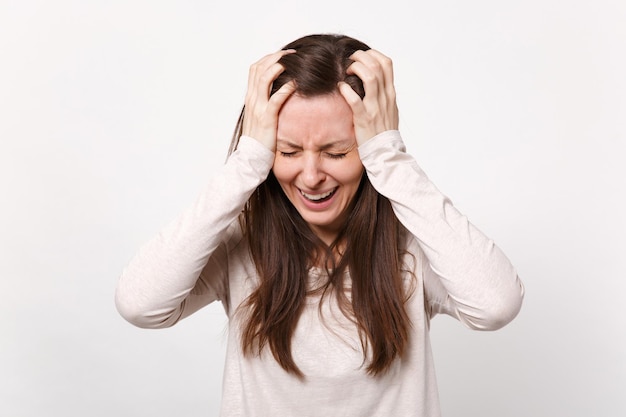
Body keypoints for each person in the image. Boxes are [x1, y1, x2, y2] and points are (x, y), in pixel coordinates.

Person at [115, 33, 524, 417]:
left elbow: (496, 305)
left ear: (367, 147)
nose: (310, 177)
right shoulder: (241, 242)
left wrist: (389, 156)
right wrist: (246, 161)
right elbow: (140, 305)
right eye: (288, 151)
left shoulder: (416, 242)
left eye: (337, 151)